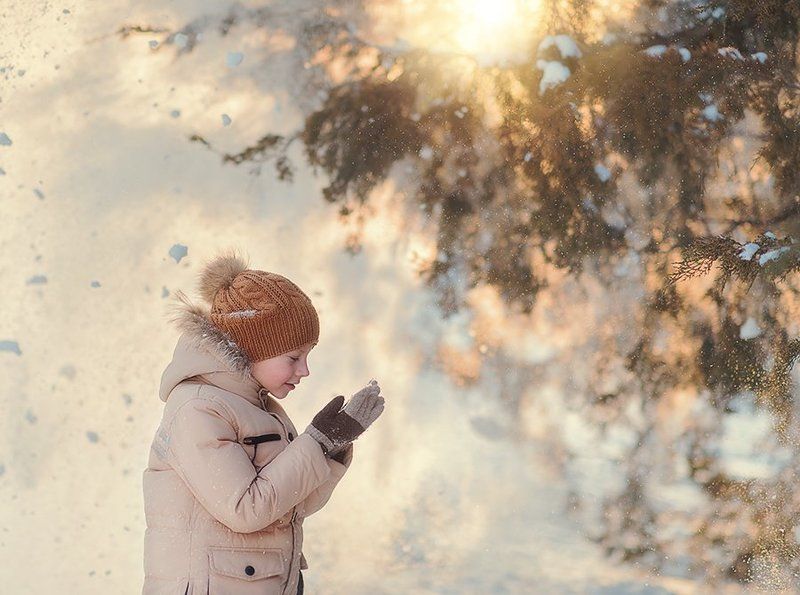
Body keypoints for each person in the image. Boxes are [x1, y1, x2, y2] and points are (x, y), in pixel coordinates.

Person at [142, 249, 385, 594]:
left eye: (307, 356)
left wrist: (332, 447)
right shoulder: (197, 409)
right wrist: (316, 443)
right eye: (293, 357)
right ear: (254, 348)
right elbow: (246, 509)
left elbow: (291, 505)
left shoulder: (262, 410)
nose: (304, 370)